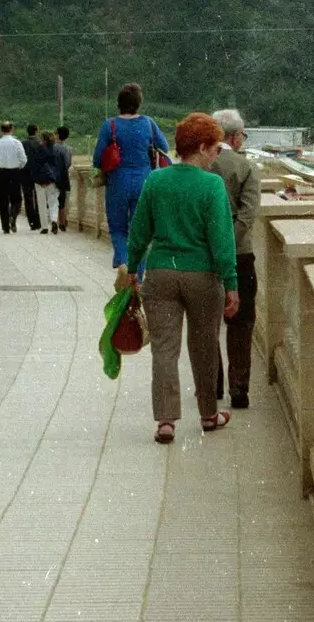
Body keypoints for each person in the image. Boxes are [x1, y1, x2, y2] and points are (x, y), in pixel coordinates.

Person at [120, 112, 240, 444]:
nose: (218, 155)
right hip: (203, 276)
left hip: (160, 273)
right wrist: (231, 284)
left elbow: (139, 230)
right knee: (204, 346)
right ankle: (208, 414)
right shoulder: (211, 185)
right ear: (201, 148)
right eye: (216, 149)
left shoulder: (156, 180)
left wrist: (132, 269)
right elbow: (221, 239)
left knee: (164, 349)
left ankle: (166, 421)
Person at [209, 109, 260, 410]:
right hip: (240, 256)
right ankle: (238, 388)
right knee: (241, 323)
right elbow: (248, 214)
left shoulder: (201, 165)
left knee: (208, 322)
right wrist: (228, 244)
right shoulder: (246, 167)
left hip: (204, 257)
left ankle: (211, 383)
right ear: (235, 136)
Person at [94, 83, 171, 268]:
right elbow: (165, 148)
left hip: (117, 181)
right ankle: (138, 277)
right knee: (140, 231)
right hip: (144, 181)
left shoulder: (110, 125)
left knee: (118, 227)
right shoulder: (148, 123)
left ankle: (122, 261)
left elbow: (97, 159)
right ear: (138, 103)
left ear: (119, 103)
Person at [0, 123, 28, 233]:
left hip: (1, 173)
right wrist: (18, 166)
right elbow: (24, 160)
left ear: (1, 130)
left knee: (3, 200)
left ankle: (5, 227)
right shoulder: (17, 143)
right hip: (14, 173)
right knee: (17, 199)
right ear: (12, 129)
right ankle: (12, 216)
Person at [33, 131, 64, 233]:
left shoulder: (38, 149)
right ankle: (54, 220)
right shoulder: (58, 149)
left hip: (40, 180)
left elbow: (34, 166)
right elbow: (62, 166)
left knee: (41, 203)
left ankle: (44, 227)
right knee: (53, 201)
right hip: (53, 180)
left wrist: (37, 179)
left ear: (43, 139)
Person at [22, 124, 47, 230]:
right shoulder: (40, 144)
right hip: (38, 173)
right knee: (39, 197)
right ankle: (39, 221)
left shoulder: (22, 143)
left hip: (25, 173)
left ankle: (32, 222)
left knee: (28, 198)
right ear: (36, 131)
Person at [53, 126, 73, 230]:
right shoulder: (67, 149)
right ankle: (62, 222)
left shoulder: (50, 147)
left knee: (52, 200)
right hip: (63, 178)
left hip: (51, 177)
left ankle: (54, 221)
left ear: (56, 134)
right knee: (62, 201)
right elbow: (68, 164)